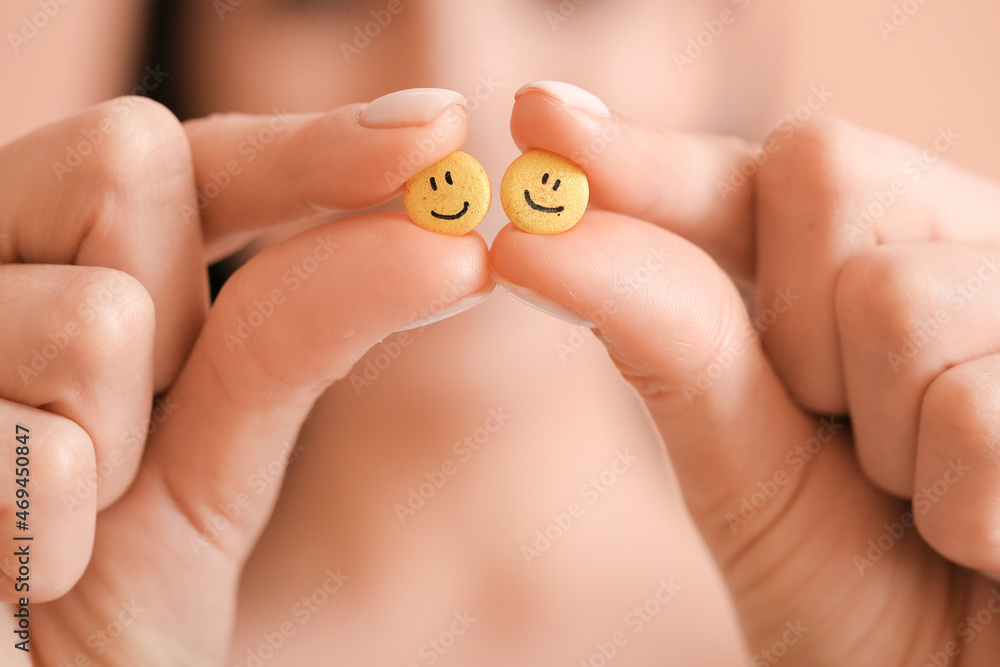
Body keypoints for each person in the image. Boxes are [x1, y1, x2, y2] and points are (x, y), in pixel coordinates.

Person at [2, 1, 999, 664]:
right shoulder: (47, 608)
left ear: (728, 32)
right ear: (185, 55)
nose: (460, 85)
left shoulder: (931, 614)